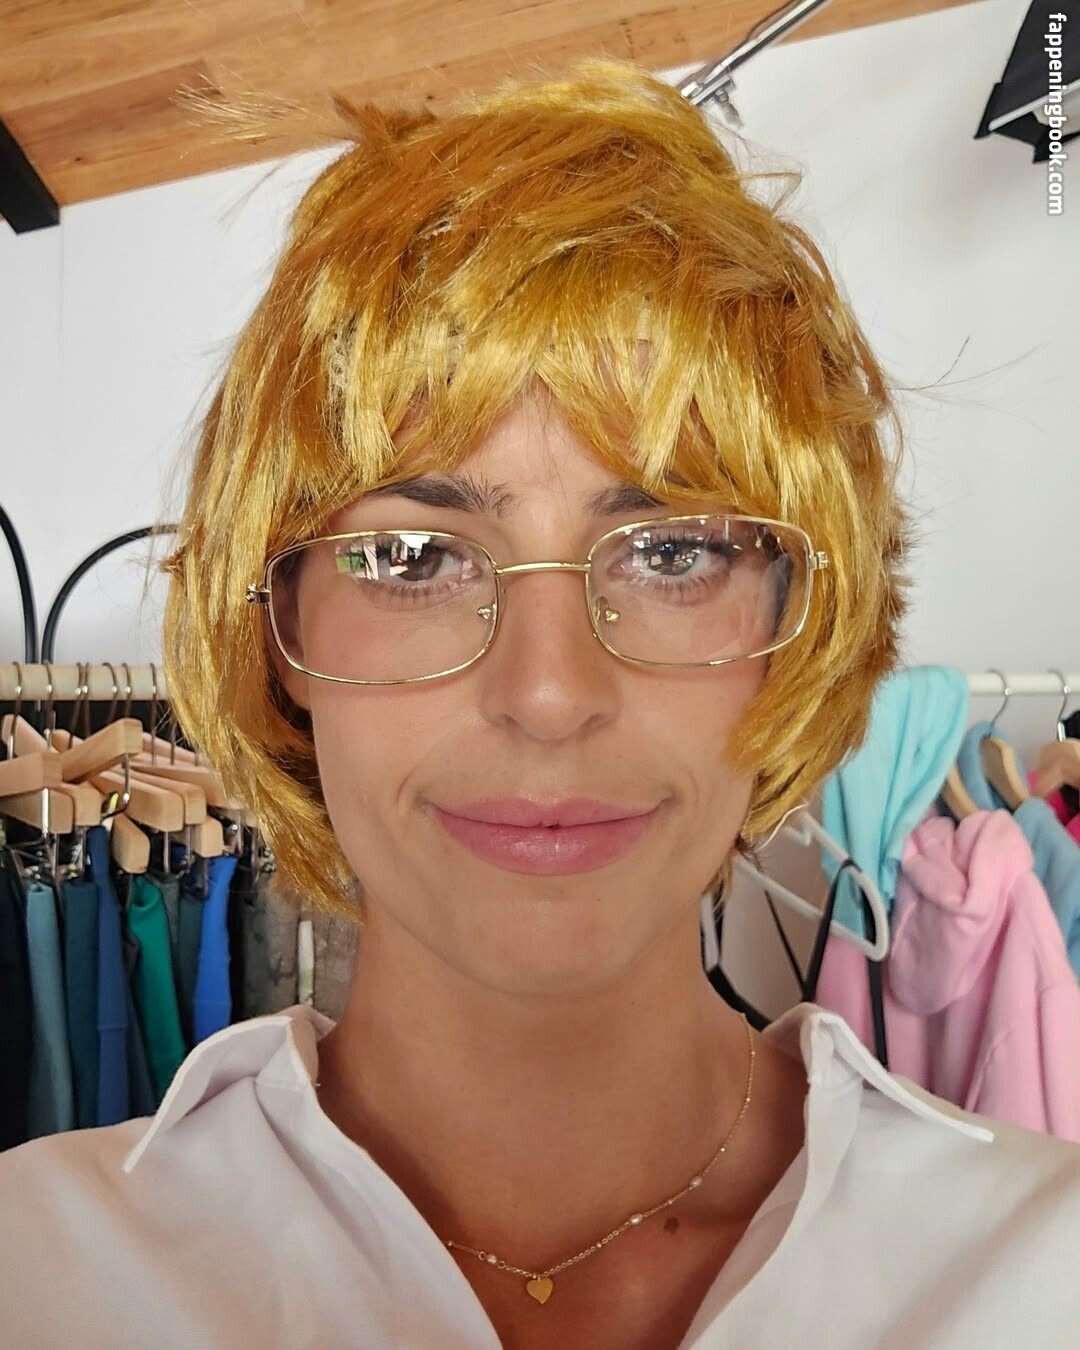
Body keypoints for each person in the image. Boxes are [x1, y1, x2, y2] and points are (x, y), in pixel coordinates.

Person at [2, 56, 1078, 1350]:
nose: (551, 693)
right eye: (412, 556)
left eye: (672, 551)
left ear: (800, 623)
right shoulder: (39, 1274)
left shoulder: (1042, 1272)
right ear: (278, 628)